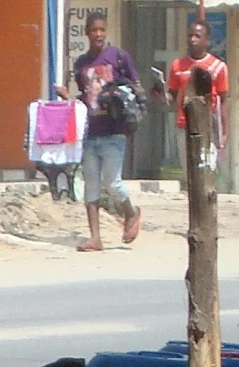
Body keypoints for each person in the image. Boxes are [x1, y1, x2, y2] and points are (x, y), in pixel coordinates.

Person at [72, 14, 142, 252]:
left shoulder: (118, 57)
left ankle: (131, 213)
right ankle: (95, 238)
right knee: (91, 184)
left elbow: (136, 86)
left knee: (112, 182)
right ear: (87, 32)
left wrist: (123, 96)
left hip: (114, 131)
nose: (98, 34)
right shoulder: (81, 63)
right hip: (91, 132)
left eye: (102, 29)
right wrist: (67, 98)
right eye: (94, 30)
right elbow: (84, 96)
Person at [156, 18, 229, 155]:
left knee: (206, 170)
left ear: (207, 40)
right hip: (184, 126)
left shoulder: (218, 67)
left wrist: (224, 133)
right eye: (190, 35)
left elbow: (223, 100)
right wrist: (161, 94)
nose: (193, 39)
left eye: (197, 36)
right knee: (188, 169)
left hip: (208, 126)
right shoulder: (177, 65)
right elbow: (172, 95)